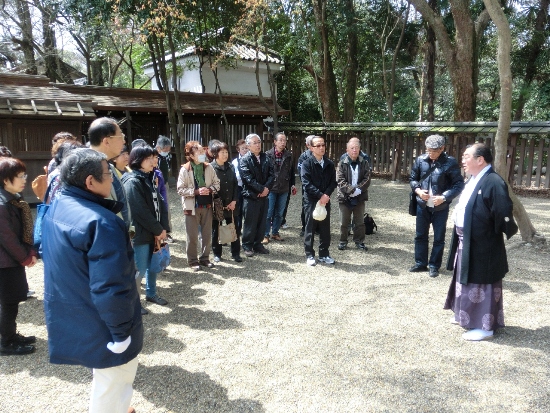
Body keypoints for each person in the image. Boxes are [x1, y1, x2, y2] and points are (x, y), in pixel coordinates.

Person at [42, 148, 143, 412]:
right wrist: (121, 332)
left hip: (76, 306)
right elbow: (111, 286)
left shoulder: (59, 205)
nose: (112, 180)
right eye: (108, 175)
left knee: (105, 375)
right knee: (114, 377)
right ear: (90, 182)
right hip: (101, 319)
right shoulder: (103, 222)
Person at [444, 143, 518, 341]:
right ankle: (463, 314)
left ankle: (485, 327)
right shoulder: (474, 179)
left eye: (467, 156)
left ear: (480, 160)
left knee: (481, 280)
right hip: (466, 239)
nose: (463, 160)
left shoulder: (493, 181)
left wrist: (488, 234)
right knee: (465, 276)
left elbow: (503, 210)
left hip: (483, 242)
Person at [409, 134, 464, 278]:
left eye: (434, 151)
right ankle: (420, 263)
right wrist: (418, 191)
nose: (430, 153)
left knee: (439, 237)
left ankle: (434, 265)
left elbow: (458, 184)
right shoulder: (421, 160)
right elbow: (413, 179)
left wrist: (444, 197)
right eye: (428, 150)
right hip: (423, 205)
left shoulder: (450, 162)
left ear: (442, 149)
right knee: (420, 235)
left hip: (440, 207)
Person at [122, 145, 170, 306]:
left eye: (154, 158)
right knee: (139, 269)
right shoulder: (132, 181)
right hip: (141, 233)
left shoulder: (149, 177)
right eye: (148, 158)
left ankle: (151, 293)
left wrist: (163, 228)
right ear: (138, 160)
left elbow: (161, 204)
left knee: (153, 265)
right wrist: (158, 229)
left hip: (153, 231)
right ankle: (134, 303)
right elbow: (139, 211)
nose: (153, 161)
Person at [0, 157, 37, 356]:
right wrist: (25, 257)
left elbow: (23, 232)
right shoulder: (2, 204)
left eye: (24, 175)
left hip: (10, 261)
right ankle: (6, 341)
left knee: (10, 301)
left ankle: (11, 335)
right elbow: (8, 239)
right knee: (8, 302)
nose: (24, 179)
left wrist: (29, 252)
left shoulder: (13, 198)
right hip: (5, 263)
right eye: (20, 176)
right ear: (6, 180)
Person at [177, 141, 220, 270]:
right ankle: (192, 260)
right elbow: (180, 189)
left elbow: (217, 184)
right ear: (191, 154)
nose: (203, 154)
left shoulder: (208, 167)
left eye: (203, 151)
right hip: (191, 206)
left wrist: (210, 189)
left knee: (207, 235)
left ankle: (205, 258)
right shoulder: (185, 169)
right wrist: (196, 192)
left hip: (207, 205)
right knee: (192, 235)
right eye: (199, 152)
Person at [88, 117, 132, 230]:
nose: (124, 141)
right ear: (106, 141)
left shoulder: (109, 166)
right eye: (121, 136)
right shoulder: (86, 170)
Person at [301, 136, 337, 266]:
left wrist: (326, 195)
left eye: (323, 145)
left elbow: (333, 182)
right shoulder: (306, 164)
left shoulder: (329, 163)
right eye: (318, 145)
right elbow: (306, 183)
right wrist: (320, 195)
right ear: (311, 148)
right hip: (311, 200)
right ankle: (309, 254)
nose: (321, 148)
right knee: (310, 227)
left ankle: (324, 254)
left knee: (325, 228)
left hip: (325, 200)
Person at [238, 133, 274, 257]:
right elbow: (247, 179)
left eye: (259, 142)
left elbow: (272, 174)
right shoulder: (244, 159)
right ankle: (247, 245)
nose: (258, 145)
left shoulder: (266, 157)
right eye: (255, 143)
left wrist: (266, 189)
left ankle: (257, 244)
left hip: (264, 195)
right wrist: (260, 190)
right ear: (248, 145)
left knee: (262, 220)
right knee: (250, 221)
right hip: (251, 195)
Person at [336, 137, 371, 251]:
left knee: (359, 222)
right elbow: (340, 180)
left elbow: (367, 178)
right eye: (352, 148)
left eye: (356, 148)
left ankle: (359, 241)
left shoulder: (364, 162)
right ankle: (343, 241)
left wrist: (359, 190)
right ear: (347, 150)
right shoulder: (342, 163)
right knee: (343, 222)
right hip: (345, 197)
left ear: (360, 149)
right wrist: (351, 190)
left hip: (360, 196)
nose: (354, 150)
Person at [210, 141, 242, 262]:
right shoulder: (210, 167)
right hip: (217, 204)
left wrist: (234, 200)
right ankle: (217, 253)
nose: (225, 154)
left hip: (232, 203)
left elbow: (235, 184)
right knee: (216, 228)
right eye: (222, 152)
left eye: (226, 152)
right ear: (215, 154)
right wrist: (218, 203)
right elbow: (210, 186)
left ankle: (236, 253)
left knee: (234, 227)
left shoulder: (230, 166)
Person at [263, 132, 296, 243]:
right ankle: (265, 234)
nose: (283, 142)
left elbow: (291, 172)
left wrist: (292, 184)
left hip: (284, 188)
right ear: (275, 142)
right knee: (269, 212)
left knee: (279, 213)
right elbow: (265, 172)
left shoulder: (289, 155)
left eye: (284, 140)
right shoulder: (267, 155)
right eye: (280, 140)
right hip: (271, 188)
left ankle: (275, 232)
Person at [155, 135, 174, 243]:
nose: (166, 152)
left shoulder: (168, 156)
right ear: (158, 148)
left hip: (164, 183)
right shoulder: (152, 156)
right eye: (164, 150)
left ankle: (167, 231)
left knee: (166, 207)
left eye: (168, 150)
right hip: (154, 184)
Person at [297, 135, 314, 237]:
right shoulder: (303, 156)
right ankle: (305, 227)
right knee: (306, 207)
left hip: (320, 187)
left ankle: (317, 228)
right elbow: (301, 173)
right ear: (307, 145)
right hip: (307, 187)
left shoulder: (321, 155)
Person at [231, 139, 248, 234]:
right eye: (243, 148)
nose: (245, 150)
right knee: (238, 210)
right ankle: (238, 230)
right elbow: (234, 177)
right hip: (238, 188)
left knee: (247, 210)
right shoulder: (235, 162)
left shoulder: (252, 160)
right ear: (238, 150)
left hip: (249, 188)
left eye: (246, 148)